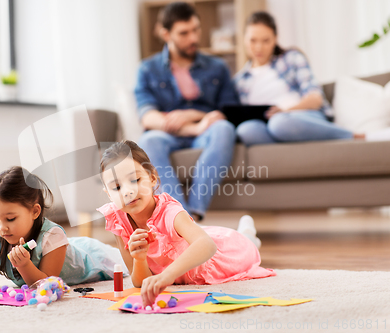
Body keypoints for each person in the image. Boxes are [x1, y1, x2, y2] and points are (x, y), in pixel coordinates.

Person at [96, 140, 275, 307]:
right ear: (108, 194)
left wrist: (167, 275)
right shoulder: (117, 219)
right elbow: (139, 282)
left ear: (152, 178)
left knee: (247, 246)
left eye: (135, 180)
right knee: (194, 234)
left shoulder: (169, 211)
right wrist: (140, 259)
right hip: (188, 244)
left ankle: (247, 234)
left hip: (214, 259)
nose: (128, 191)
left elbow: (207, 245)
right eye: (117, 187)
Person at [134, 2, 240, 222]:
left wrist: (192, 114)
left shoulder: (217, 66)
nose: (193, 38)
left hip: (206, 131)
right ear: (166, 34)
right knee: (149, 139)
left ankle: (194, 213)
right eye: (184, 33)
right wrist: (194, 127)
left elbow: (228, 110)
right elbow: (147, 116)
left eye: (196, 30)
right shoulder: (147, 69)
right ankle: (181, 216)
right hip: (168, 133)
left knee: (224, 129)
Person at [0, 166, 127, 289]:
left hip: (90, 260)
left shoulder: (52, 236)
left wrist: (24, 265)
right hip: (64, 248)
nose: (2, 228)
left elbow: (48, 284)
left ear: (35, 211)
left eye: (10, 218)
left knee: (126, 264)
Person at [233, 11, 390, 145]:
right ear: (244, 39)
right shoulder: (240, 80)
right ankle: (291, 139)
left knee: (280, 123)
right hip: (266, 124)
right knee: (246, 131)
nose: (259, 47)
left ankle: (355, 136)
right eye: (253, 40)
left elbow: (315, 99)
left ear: (275, 39)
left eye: (265, 40)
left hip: (300, 116)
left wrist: (285, 110)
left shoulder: (291, 58)